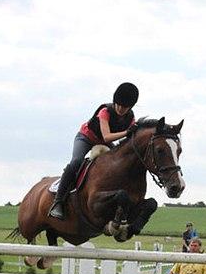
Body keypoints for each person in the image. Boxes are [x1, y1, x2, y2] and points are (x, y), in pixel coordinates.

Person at [48, 82, 139, 220]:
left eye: (125, 107)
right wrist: (127, 132)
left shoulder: (131, 117)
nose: (121, 109)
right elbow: (107, 136)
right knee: (77, 161)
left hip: (105, 142)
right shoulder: (105, 112)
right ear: (115, 102)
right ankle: (58, 202)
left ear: (130, 107)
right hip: (86, 138)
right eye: (119, 105)